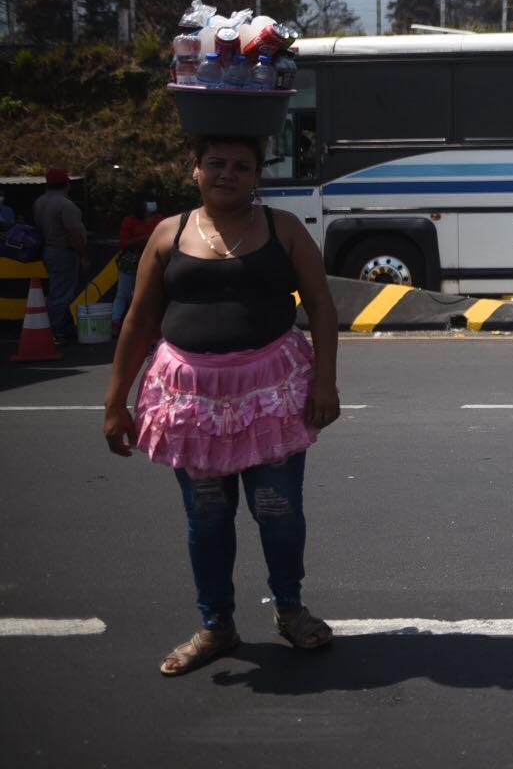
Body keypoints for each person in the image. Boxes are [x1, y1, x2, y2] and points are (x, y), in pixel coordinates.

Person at [101, 136, 341, 676]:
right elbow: (139, 320)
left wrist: (326, 382)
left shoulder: (284, 229)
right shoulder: (170, 232)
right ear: (195, 171)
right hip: (193, 403)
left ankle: (290, 610)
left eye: (241, 166)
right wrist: (117, 401)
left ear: (257, 175)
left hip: (272, 395)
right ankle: (216, 625)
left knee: (278, 513)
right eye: (216, 164)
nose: (227, 174)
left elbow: (321, 306)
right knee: (207, 517)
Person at [32, 167, 86, 345]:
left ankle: (66, 328)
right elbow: (73, 233)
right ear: (66, 184)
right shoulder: (66, 205)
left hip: (48, 250)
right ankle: (53, 331)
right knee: (61, 294)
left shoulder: (40, 202)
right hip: (64, 251)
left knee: (59, 289)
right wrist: (83, 254)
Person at [112, 195, 163, 336]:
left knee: (148, 295)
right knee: (123, 294)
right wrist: (143, 239)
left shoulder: (160, 219)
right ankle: (115, 323)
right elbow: (124, 243)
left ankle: (147, 327)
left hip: (153, 262)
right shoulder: (129, 221)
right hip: (131, 263)